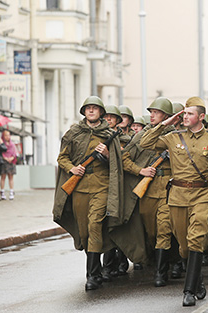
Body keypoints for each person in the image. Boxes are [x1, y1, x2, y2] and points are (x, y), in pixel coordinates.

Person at [140, 96, 208, 307]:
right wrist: (165, 124)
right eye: (184, 114)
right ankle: (197, 282)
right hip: (178, 197)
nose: (186, 117)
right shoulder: (173, 137)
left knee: (196, 239)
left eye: (190, 114)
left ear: (201, 117)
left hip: (202, 196)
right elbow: (145, 142)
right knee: (184, 247)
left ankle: (188, 291)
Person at [53, 96, 125, 291]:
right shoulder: (74, 133)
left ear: (101, 112)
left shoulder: (109, 134)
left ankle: (92, 276)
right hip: (79, 187)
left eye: (95, 108)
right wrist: (72, 168)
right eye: (88, 108)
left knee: (95, 225)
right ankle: (97, 267)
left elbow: (117, 164)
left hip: (101, 186)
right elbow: (62, 157)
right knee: (84, 231)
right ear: (84, 112)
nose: (91, 111)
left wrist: (108, 154)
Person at [0, 130, 17, 200]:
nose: (7, 137)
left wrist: (11, 158)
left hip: (11, 162)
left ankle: (11, 191)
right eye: (6, 135)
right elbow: (0, 153)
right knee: (3, 177)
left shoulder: (12, 144)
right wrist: (5, 158)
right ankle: (2, 192)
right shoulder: (1, 144)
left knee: (11, 177)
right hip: (4, 162)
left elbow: (14, 153)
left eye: (8, 135)